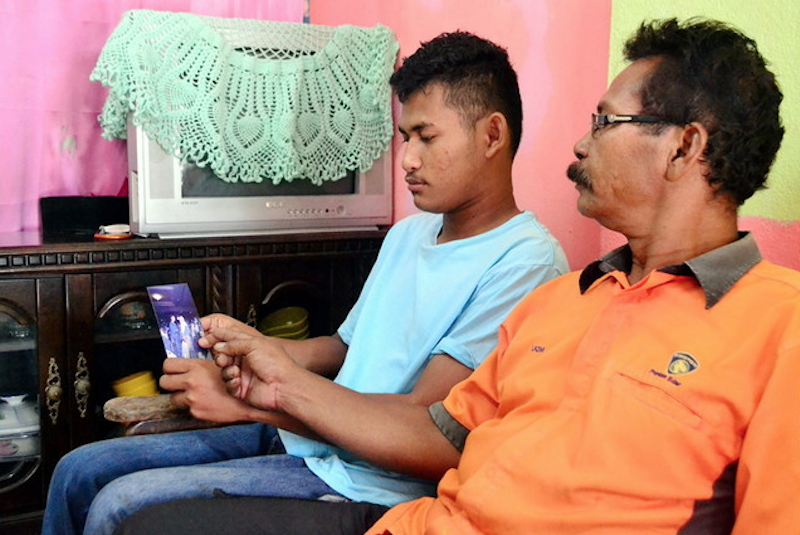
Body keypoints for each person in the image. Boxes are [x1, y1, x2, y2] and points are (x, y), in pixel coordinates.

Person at [117, 17, 799, 535]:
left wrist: (274, 393)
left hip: (368, 488)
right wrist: (272, 381)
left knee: (133, 512)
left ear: (683, 146)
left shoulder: (778, 328)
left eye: (604, 122)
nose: (579, 142)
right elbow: (441, 435)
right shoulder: (563, 300)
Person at [42, 31, 569, 535]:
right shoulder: (409, 234)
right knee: (78, 471)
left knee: (120, 504)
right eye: (405, 137)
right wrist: (255, 348)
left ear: (492, 135)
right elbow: (344, 348)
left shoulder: (525, 262)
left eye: (427, 138)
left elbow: (424, 426)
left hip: (370, 480)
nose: (407, 159)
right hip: (306, 436)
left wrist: (259, 400)